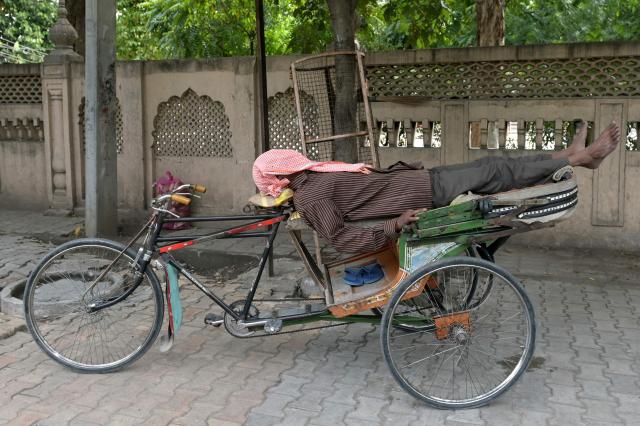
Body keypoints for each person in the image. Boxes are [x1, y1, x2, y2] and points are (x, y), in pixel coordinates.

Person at [253, 122, 621, 253]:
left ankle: (568, 156)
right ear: (282, 179)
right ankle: (579, 158)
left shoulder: (313, 180)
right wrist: (393, 225)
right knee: (495, 170)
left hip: (421, 181)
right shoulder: (311, 193)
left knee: (491, 165)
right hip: (424, 193)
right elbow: (341, 238)